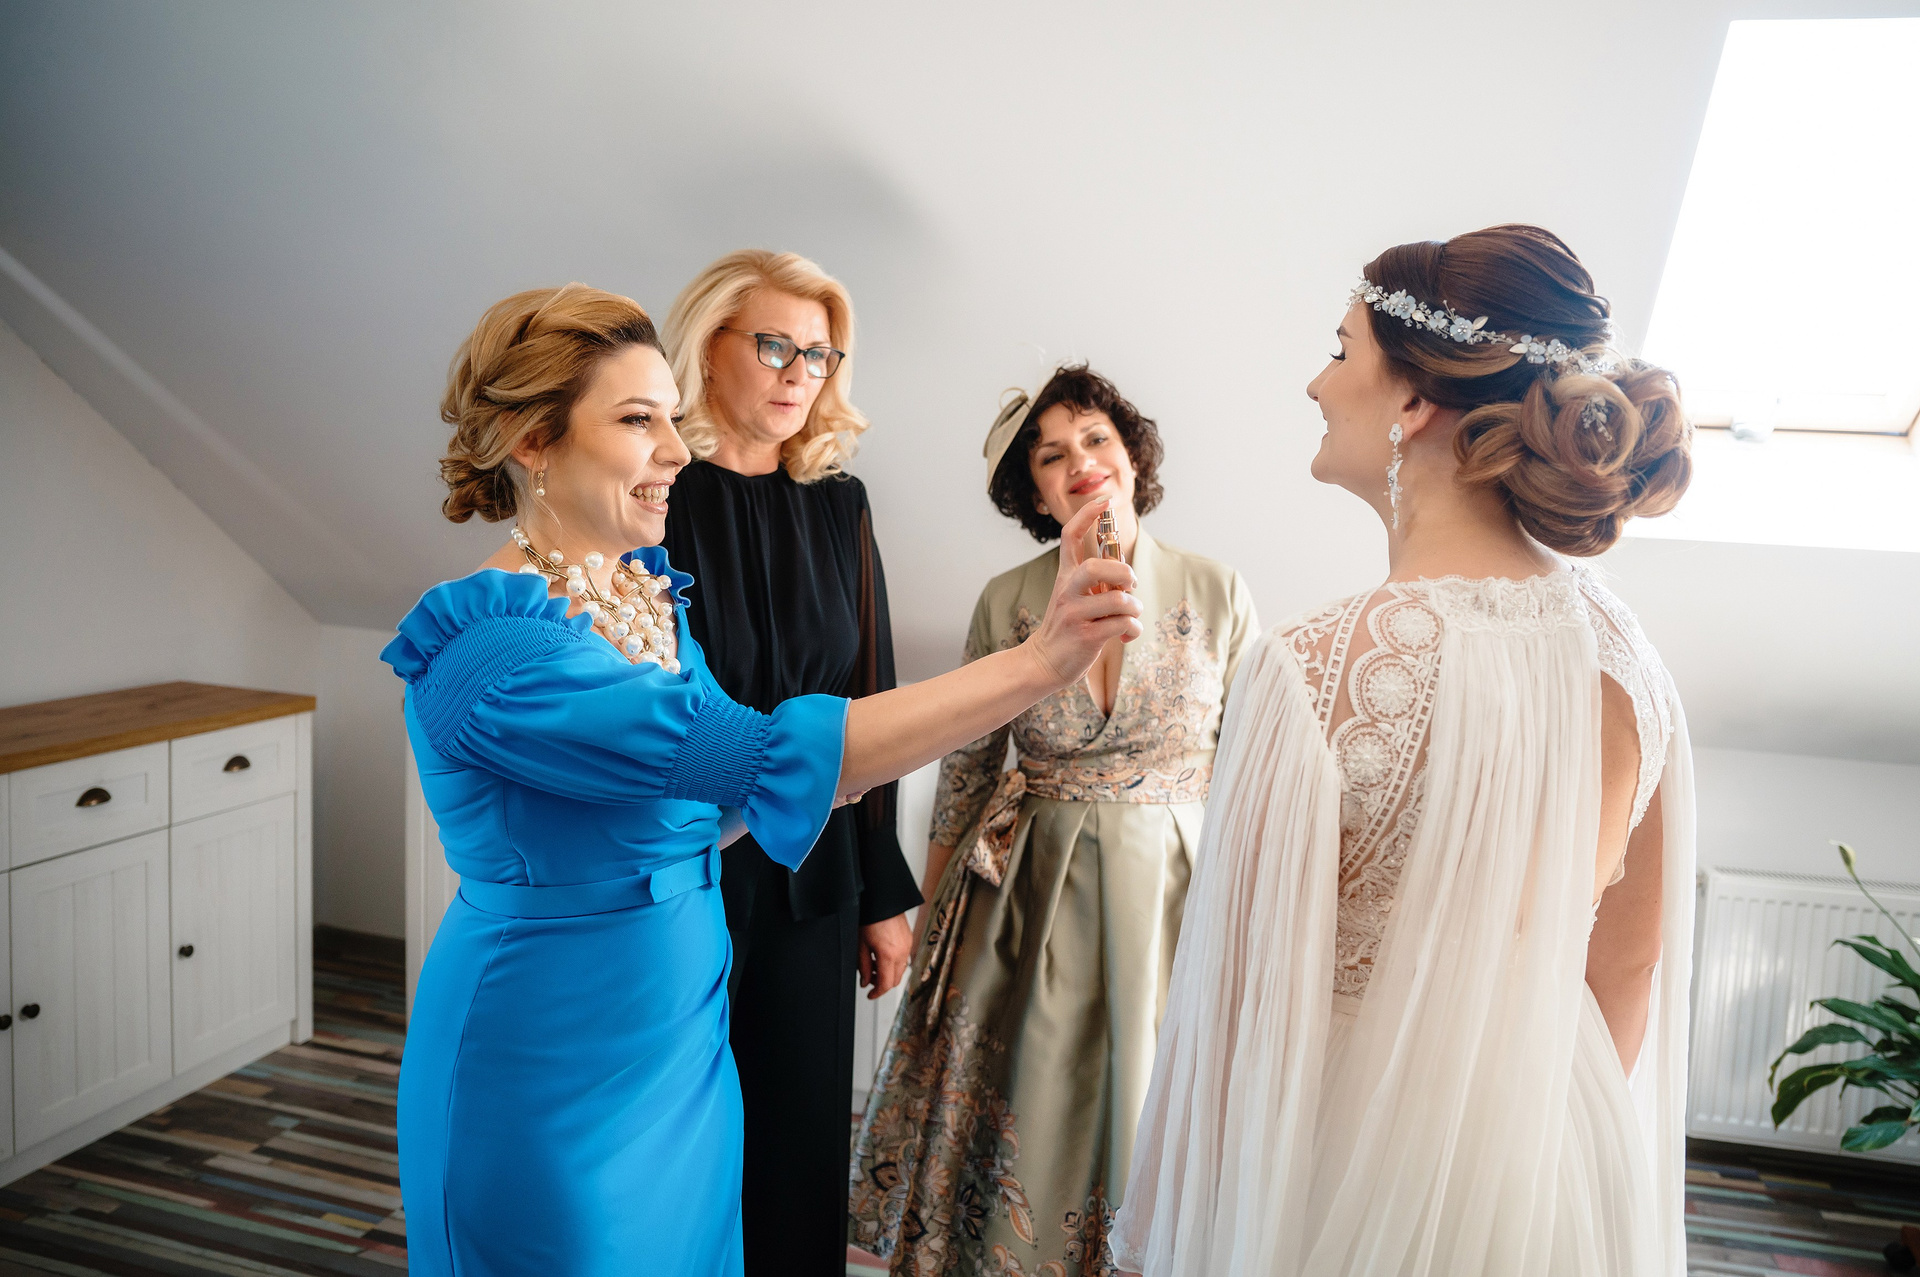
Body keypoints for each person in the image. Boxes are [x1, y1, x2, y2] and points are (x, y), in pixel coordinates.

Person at [382, 284, 1142, 1277]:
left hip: (683, 1046)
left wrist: (828, 814)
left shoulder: (645, 599)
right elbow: (761, 751)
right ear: (532, 439)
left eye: (671, 417)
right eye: (638, 420)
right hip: (549, 1063)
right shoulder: (495, 651)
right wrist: (1040, 660)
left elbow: (717, 804)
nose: (675, 450)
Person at [1110, 225, 1696, 1277]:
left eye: (1340, 351)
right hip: (1555, 1152)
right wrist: (1545, 1153)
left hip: (1347, 1158)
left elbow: (1239, 1015)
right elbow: (1628, 961)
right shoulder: (1629, 657)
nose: (1316, 383)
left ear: (1417, 399)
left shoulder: (1313, 667)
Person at [851, 365, 1260, 1276]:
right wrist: (927, 917)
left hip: (1177, 896)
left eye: (1096, 439)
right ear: (1034, 492)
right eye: (1051, 455)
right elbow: (966, 767)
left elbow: (1249, 767)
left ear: (1131, 456)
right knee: (1034, 1099)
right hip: (1029, 897)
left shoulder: (1217, 588)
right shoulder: (1008, 600)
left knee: (1155, 1096)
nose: (1080, 462)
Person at [659, 249, 921, 1277]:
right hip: (685, 867)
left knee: (799, 1136)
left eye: (819, 354)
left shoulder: (840, 503)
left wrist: (880, 893)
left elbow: (870, 697)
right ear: (706, 345)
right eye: (775, 344)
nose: (799, 372)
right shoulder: (656, 493)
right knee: (679, 1130)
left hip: (815, 875)